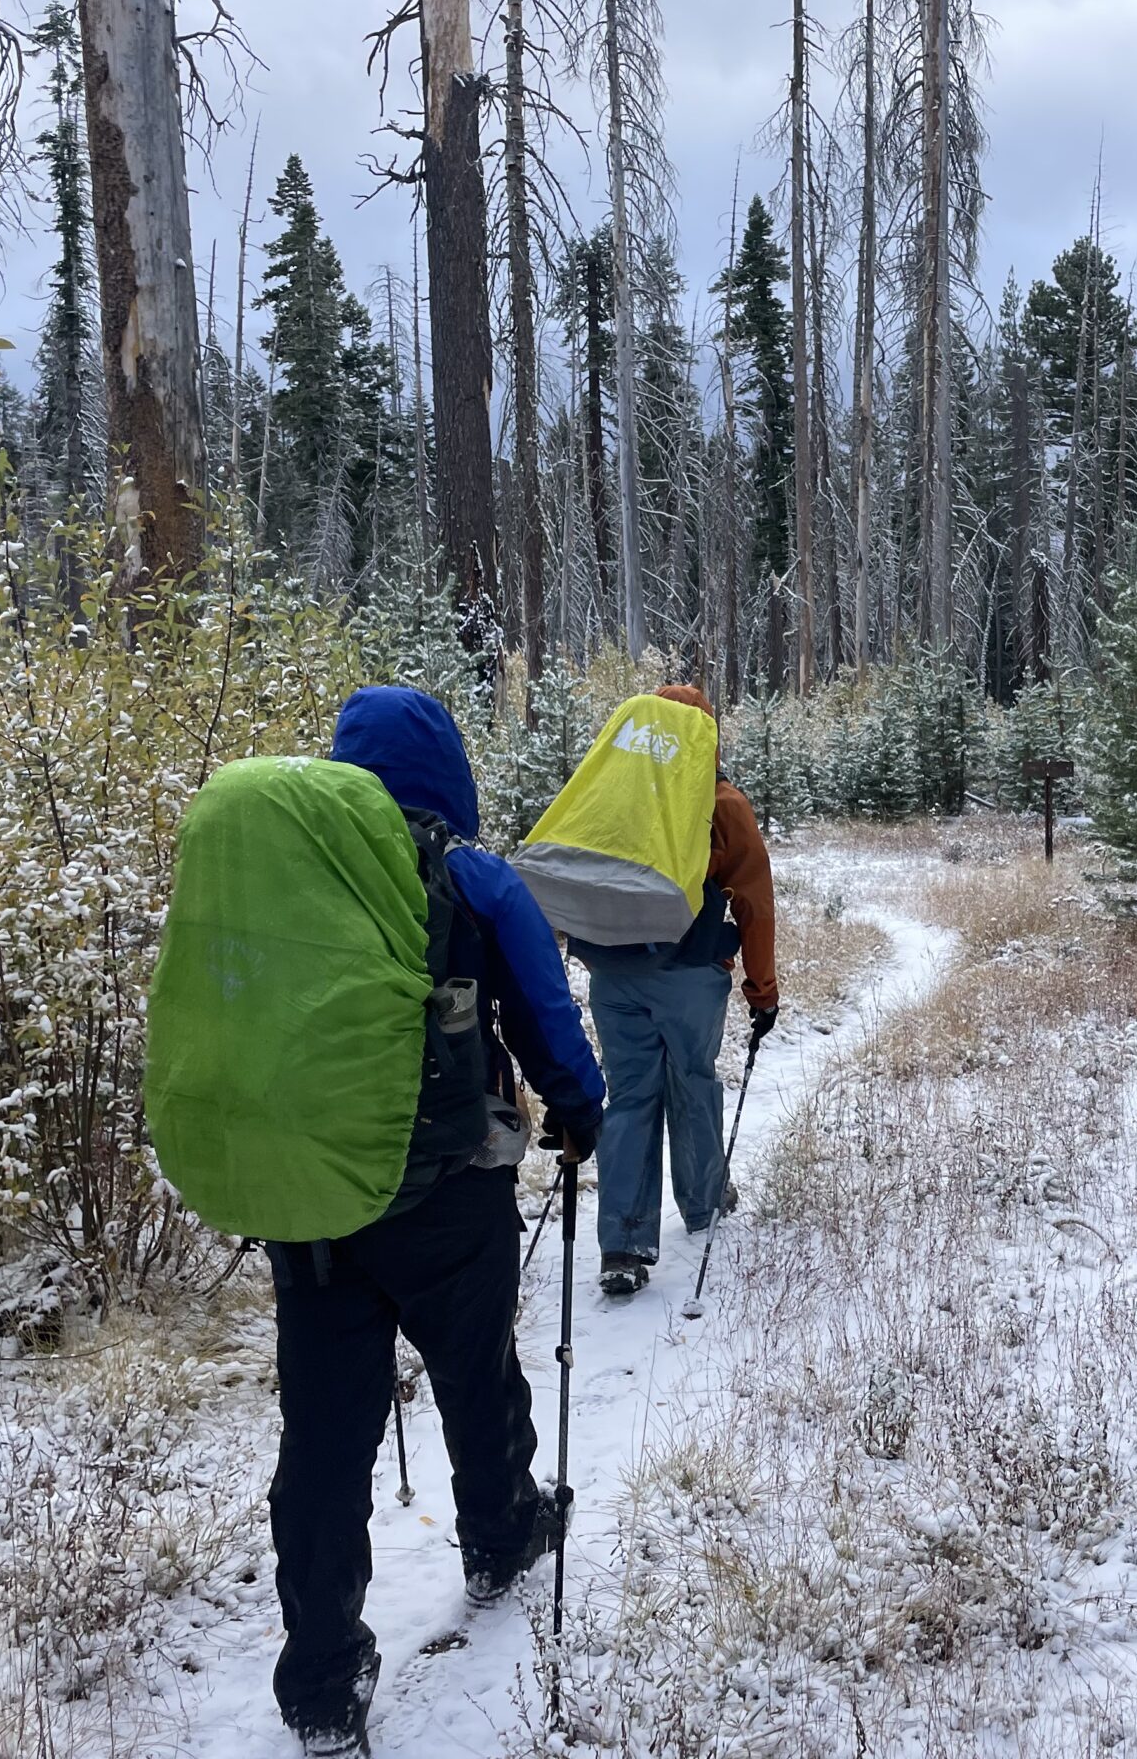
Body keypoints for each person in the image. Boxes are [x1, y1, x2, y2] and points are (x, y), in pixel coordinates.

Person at [266, 687, 606, 1758]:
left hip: (311, 1200)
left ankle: (321, 1675)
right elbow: (542, 1012)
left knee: (323, 1431)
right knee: (474, 1369)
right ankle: (502, 1535)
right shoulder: (470, 876)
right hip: (448, 1189)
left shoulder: (290, 875)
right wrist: (577, 1108)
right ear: (445, 771)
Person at [572, 683, 779, 1297]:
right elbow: (755, 904)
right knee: (692, 1078)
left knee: (630, 1096)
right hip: (690, 973)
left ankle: (623, 1244)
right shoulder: (722, 803)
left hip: (612, 971)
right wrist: (761, 990)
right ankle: (704, 1201)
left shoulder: (613, 797)